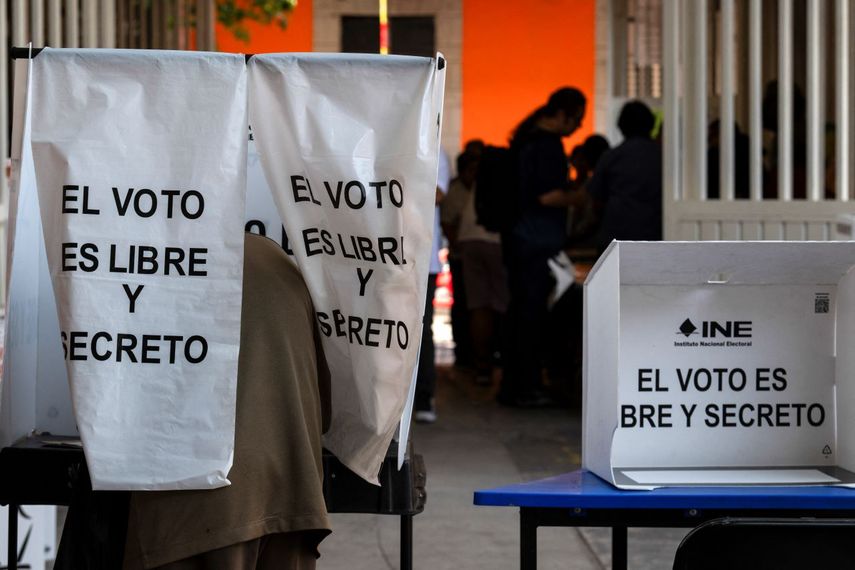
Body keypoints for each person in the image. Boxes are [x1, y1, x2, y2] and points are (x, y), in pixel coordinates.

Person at [121, 233, 332, 570]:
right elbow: (325, 408)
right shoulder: (281, 262)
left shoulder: (160, 263)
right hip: (290, 491)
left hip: (192, 502)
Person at [498, 87, 586, 408]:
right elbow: (547, 196)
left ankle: (515, 384)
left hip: (518, 240)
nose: (577, 127)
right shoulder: (547, 146)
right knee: (532, 317)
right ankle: (528, 386)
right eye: (577, 120)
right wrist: (579, 196)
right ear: (562, 114)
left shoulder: (525, 139)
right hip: (537, 243)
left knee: (520, 313)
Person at [442, 150, 508, 385]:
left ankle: (482, 365)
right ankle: (499, 361)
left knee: (478, 306)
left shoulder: (473, 189)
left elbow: (449, 221)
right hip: (496, 244)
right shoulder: (502, 183)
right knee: (501, 305)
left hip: (469, 244)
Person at [587, 100, 662, 254]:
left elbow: (596, 200)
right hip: (655, 234)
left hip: (616, 236)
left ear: (621, 126)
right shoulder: (664, 158)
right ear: (650, 124)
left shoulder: (610, 157)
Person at [414, 148, 451, 423]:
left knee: (421, 329)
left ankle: (423, 398)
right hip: (389, 253)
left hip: (423, 257)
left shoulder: (436, 149)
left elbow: (437, 195)